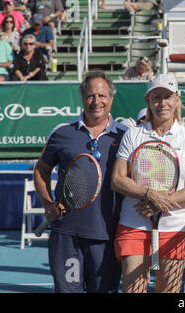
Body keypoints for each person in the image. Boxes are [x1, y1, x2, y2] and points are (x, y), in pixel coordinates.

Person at [110, 73, 185, 293]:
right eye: (156, 97)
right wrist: (150, 195)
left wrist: (161, 202)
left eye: (167, 96)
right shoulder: (133, 135)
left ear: (177, 99)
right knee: (133, 290)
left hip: (175, 225)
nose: (162, 103)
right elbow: (117, 179)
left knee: (169, 291)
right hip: (134, 223)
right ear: (148, 100)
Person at [33, 70, 126, 292]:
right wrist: (48, 203)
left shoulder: (126, 135)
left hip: (108, 236)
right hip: (67, 235)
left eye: (102, 96)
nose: (97, 102)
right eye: (90, 96)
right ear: (83, 98)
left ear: (111, 99)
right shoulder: (62, 133)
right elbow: (41, 170)